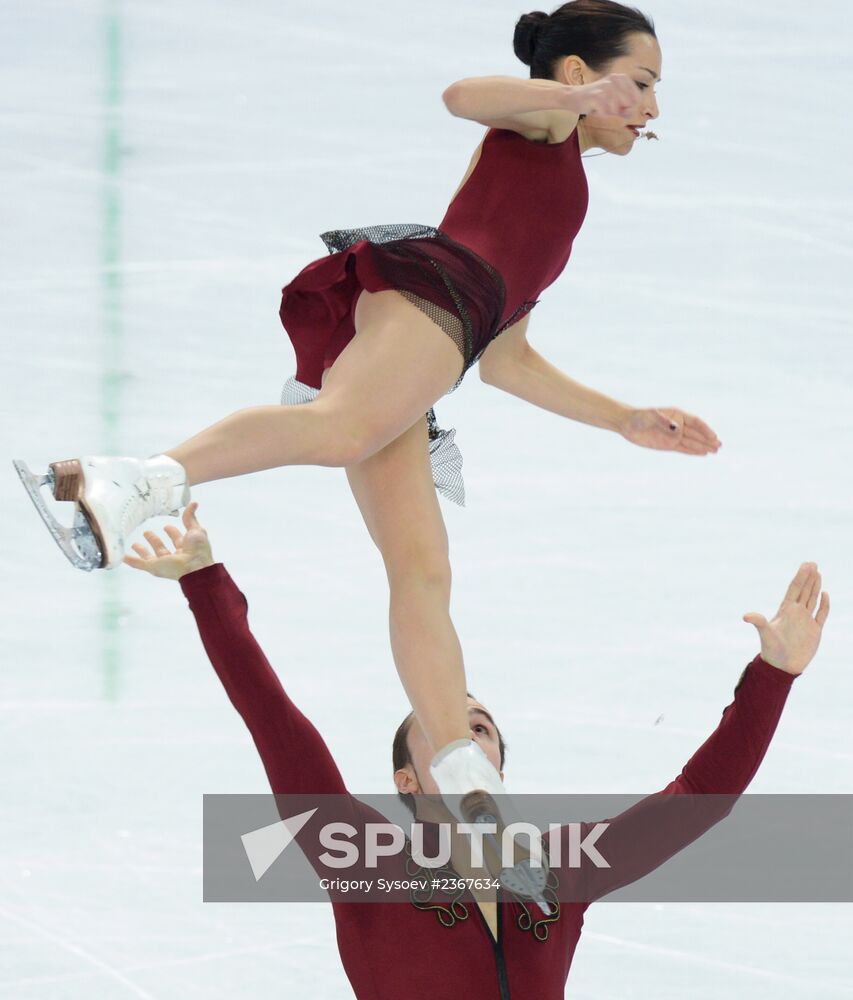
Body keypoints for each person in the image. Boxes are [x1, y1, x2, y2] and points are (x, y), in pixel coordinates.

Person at [17, 2, 722, 818]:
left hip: (454, 337)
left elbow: (507, 358)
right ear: (577, 73)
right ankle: (131, 481)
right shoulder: (545, 125)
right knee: (339, 428)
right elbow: (461, 95)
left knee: (422, 571)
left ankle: (460, 770)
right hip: (432, 298)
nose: (650, 107)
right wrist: (576, 103)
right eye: (640, 83)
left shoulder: (566, 187)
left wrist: (625, 419)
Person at [124, 505, 829, 999]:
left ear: (495, 765)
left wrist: (774, 677)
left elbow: (697, 800)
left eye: (480, 726)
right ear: (406, 777)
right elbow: (271, 720)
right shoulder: (360, 858)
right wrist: (205, 585)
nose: (464, 726)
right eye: (439, 719)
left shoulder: (561, 868)